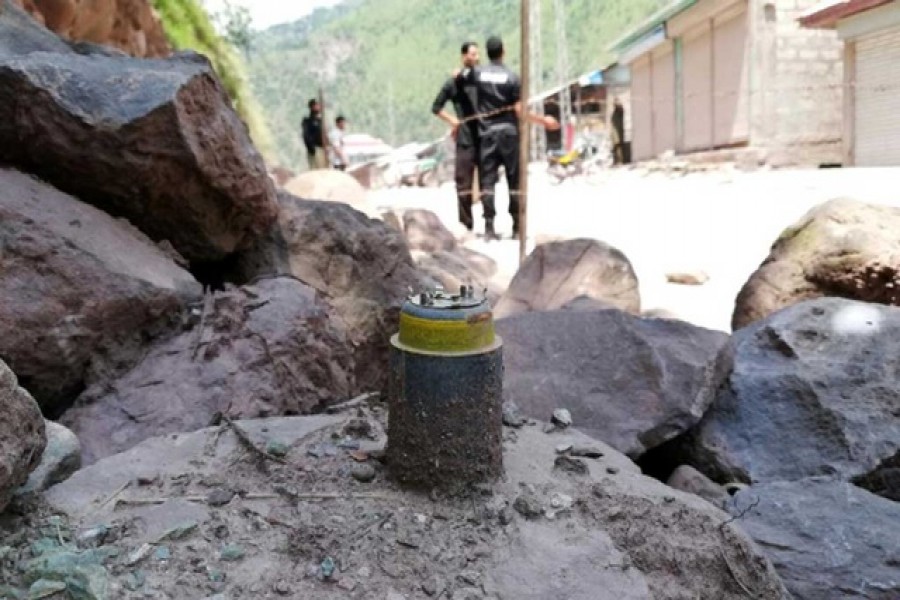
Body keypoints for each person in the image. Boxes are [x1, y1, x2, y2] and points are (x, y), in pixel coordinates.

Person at [460, 36, 559, 240]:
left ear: (486, 53)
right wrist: (543, 121)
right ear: (503, 51)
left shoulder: (478, 74)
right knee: (514, 180)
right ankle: (516, 227)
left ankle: (489, 228)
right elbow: (519, 110)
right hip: (509, 133)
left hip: (486, 134)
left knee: (488, 181)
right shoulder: (512, 77)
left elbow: (463, 75)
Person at [431, 41, 481, 232]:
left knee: (486, 183)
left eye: (477, 55)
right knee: (463, 183)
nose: (476, 58)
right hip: (465, 138)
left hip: (484, 137)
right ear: (464, 57)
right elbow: (436, 107)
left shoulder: (482, 80)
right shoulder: (454, 83)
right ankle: (466, 225)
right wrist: (453, 121)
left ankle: (489, 223)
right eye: (472, 55)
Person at [301, 99, 327, 170]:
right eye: (317, 105)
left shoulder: (320, 121)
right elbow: (306, 135)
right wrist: (312, 149)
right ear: (312, 107)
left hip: (322, 149)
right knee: (316, 170)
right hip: (315, 149)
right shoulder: (307, 121)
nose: (319, 107)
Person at [611, 97, 625, 165]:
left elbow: (621, 110)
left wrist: (618, 103)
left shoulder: (620, 111)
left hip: (618, 130)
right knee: (615, 146)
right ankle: (616, 160)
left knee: (618, 146)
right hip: (615, 131)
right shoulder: (615, 112)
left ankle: (620, 160)